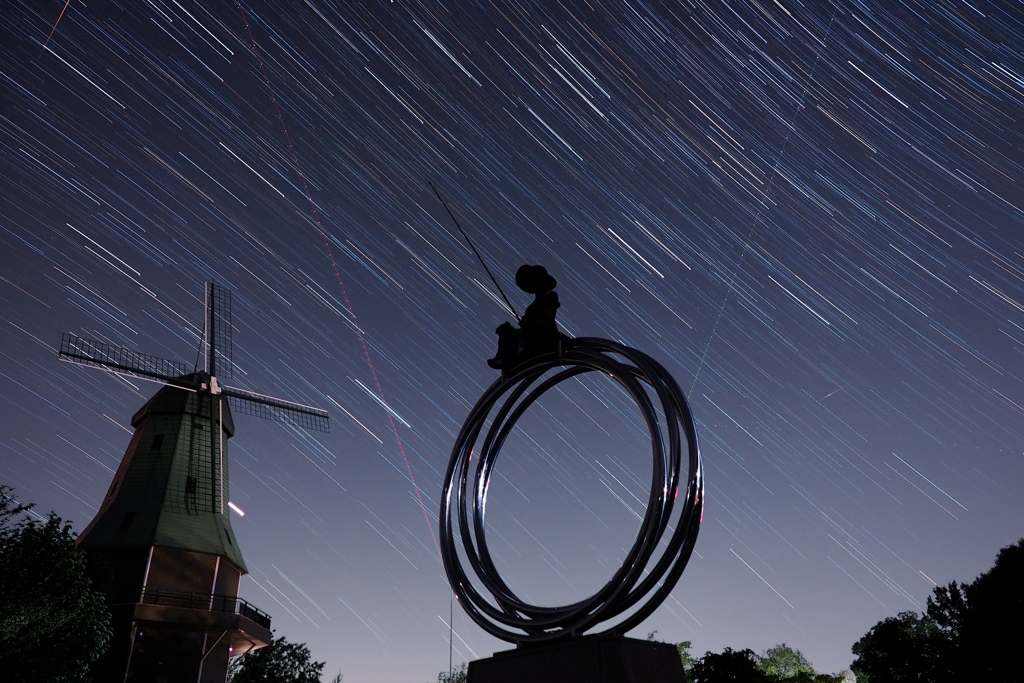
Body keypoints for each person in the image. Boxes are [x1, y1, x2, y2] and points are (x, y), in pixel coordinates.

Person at [487, 265, 566, 371]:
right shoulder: (530, 308)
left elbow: (548, 315)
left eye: (539, 283)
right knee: (506, 330)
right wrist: (527, 323)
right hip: (530, 333)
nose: (538, 287)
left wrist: (530, 322)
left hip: (544, 332)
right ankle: (501, 358)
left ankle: (510, 358)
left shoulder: (551, 296)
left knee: (523, 337)